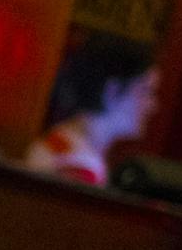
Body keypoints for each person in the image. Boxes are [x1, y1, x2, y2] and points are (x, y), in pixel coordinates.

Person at [24, 33, 159, 187]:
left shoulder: (63, 145)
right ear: (112, 91)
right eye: (145, 91)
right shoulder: (78, 168)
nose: (152, 104)